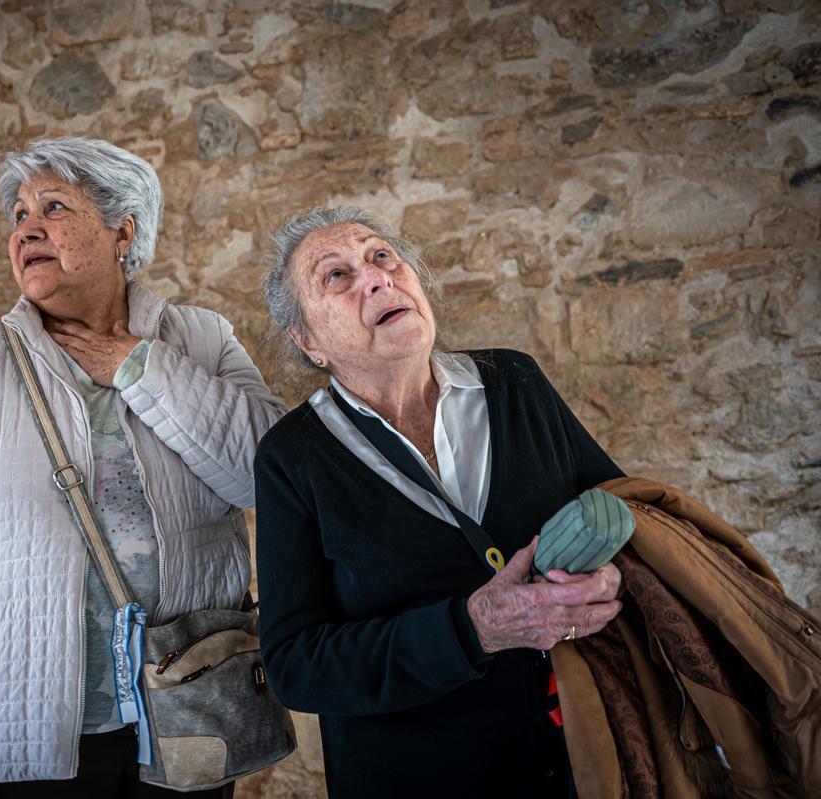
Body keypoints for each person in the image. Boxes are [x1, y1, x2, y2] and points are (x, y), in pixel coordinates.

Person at [0, 137, 284, 798]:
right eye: (19, 215)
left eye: (53, 206)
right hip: (26, 737)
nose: (27, 229)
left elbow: (264, 474)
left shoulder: (200, 338)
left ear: (122, 230)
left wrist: (137, 365)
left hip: (190, 713)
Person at [253, 206, 625, 798]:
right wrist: (470, 630)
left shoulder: (514, 384)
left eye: (381, 256)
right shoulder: (293, 456)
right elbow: (297, 666)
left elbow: (619, 511)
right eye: (336, 277)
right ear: (309, 341)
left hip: (582, 762)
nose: (377, 278)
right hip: (416, 777)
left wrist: (609, 578)